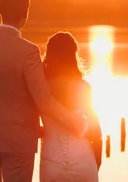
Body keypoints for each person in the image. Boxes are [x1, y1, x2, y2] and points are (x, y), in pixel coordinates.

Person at [0, 0, 86, 182]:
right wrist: (76, 123)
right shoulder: (28, 51)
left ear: (0, 10)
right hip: (18, 142)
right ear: (25, 15)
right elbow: (43, 100)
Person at [40, 32, 102, 182]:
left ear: (49, 55)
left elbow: (29, 124)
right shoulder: (84, 87)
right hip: (84, 163)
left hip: (51, 164)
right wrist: (95, 164)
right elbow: (96, 132)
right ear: (73, 56)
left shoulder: (41, 89)